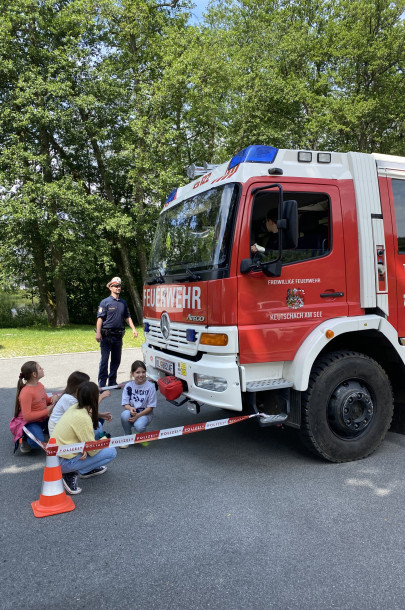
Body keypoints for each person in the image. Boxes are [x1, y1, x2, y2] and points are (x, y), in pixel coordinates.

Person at [53, 381, 117, 495]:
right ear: (94, 398)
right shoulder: (83, 418)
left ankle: (82, 469)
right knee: (111, 451)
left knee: (98, 429)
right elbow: (93, 450)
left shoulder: (75, 407)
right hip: (64, 461)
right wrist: (104, 440)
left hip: (57, 455)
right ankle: (72, 472)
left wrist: (83, 448)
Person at [96, 276, 138, 389]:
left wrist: (133, 328)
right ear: (110, 287)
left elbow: (127, 317)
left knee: (116, 360)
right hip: (106, 336)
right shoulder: (105, 302)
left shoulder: (123, 302)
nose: (118, 288)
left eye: (119, 286)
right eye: (115, 286)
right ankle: (101, 383)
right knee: (104, 361)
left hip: (118, 336)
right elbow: (100, 318)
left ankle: (112, 382)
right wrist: (98, 333)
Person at [13, 361, 59, 453]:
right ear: (34, 374)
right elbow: (27, 417)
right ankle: (25, 438)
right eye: (40, 368)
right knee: (37, 443)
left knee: (62, 427)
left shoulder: (40, 385)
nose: (42, 369)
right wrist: (46, 411)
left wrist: (53, 398)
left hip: (43, 418)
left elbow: (44, 400)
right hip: (31, 422)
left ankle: (42, 431)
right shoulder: (26, 392)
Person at [48, 371, 112, 435]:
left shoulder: (75, 396)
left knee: (98, 420)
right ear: (78, 387)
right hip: (59, 431)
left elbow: (84, 412)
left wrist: (100, 415)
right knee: (97, 425)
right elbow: (83, 416)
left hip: (66, 426)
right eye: (86, 384)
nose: (88, 386)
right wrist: (100, 397)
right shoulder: (68, 399)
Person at [120, 360, 157, 448]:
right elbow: (126, 404)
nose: (141, 375)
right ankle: (127, 437)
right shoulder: (128, 386)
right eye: (137, 372)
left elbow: (150, 407)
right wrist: (130, 409)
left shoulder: (151, 386)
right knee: (124, 415)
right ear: (132, 374)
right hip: (133, 413)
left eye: (143, 372)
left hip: (146, 414)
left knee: (139, 426)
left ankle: (141, 432)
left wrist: (138, 416)